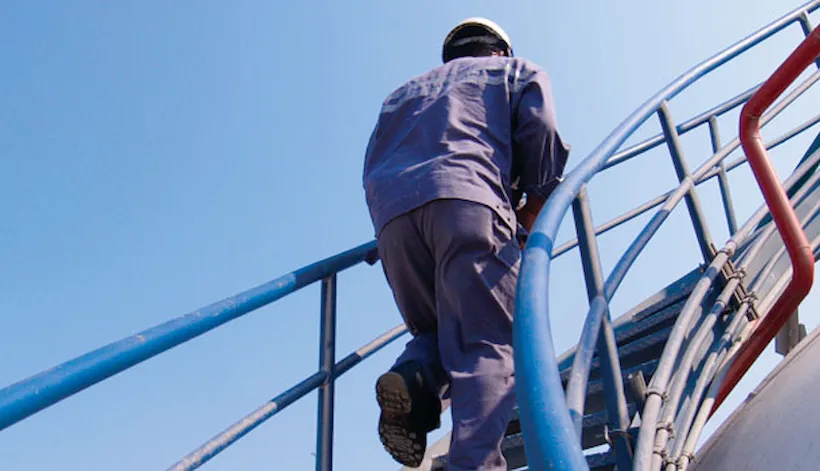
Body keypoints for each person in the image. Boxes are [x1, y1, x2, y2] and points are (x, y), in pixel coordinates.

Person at [362, 17, 570, 470]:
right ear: (499, 50)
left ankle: (413, 380)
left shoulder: (400, 96)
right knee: (489, 342)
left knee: (437, 330)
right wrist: (533, 204)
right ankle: (475, 465)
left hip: (393, 224)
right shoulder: (514, 71)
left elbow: (371, 161)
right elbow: (544, 130)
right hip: (468, 204)